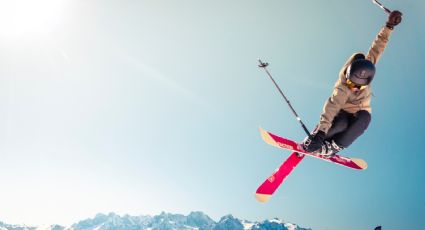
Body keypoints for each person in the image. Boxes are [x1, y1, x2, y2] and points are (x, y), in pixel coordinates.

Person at [302, 10, 403, 158]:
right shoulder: (343, 87)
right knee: (340, 124)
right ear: (348, 75)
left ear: (366, 82)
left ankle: (333, 147)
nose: (353, 87)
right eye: (351, 82)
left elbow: (378, 46)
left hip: (358, 115)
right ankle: (316, 139)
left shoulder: (368, 66)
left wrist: (389, 26)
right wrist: (321, 132)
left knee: (365, 118)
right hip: (341, 113)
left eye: (358, 86)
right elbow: (332, 107)